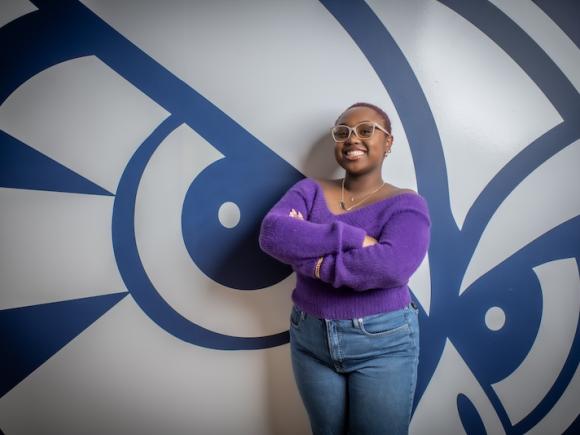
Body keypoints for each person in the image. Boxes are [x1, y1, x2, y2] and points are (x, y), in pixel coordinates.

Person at [259, 102, 431, 435]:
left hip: (383, 342)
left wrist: (312, 260)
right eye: (343, 133)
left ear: (389, 142)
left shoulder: (407, 203)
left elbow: (392, 267)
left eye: (367, 130)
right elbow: (273, 234)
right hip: (310, 338)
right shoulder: (309, 190)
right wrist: (354, 237)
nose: (353, 139)